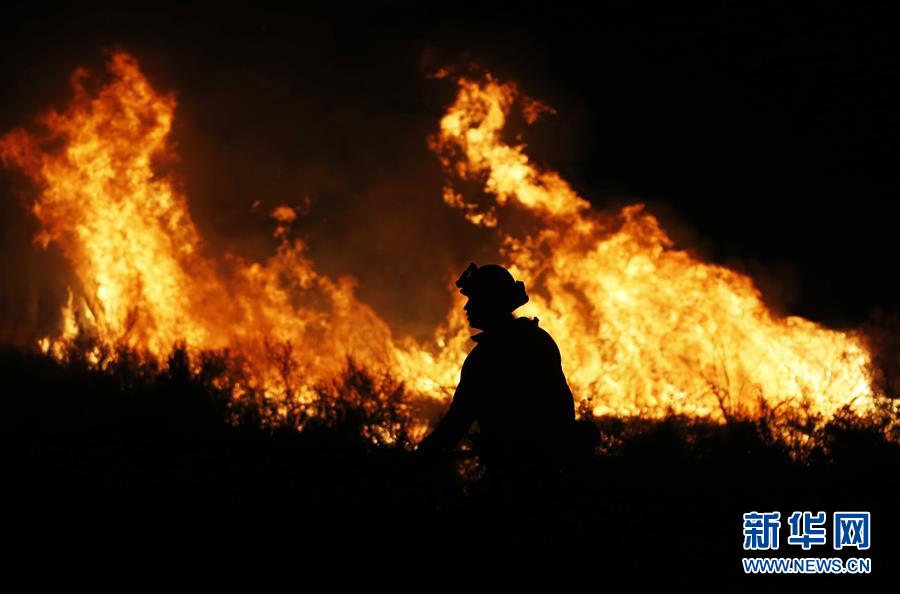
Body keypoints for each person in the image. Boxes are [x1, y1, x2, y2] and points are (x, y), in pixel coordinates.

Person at [418, 262, 576, 485]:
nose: (467, 307)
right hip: (551, 469)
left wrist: (425, 451)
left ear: (490, 303)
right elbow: (563, 403)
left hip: (512, 475)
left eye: (474, 300)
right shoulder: (539, 340)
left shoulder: (485, 357)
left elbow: (459, 418)